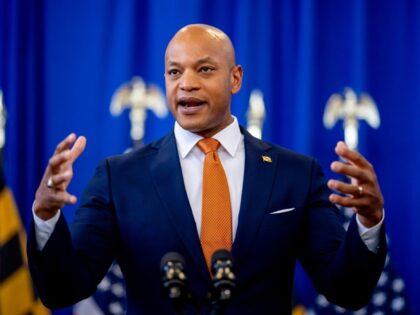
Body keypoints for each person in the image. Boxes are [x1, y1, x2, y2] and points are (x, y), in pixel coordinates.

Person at [28, 24, 387, 315]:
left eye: (203, 69)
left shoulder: (296, 173)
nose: (186, 83)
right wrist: (45, 218)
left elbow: (346, 290)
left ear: (235, 79)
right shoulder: (119, 177)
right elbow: (64, 290)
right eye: (174, 71)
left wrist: (369, 223)